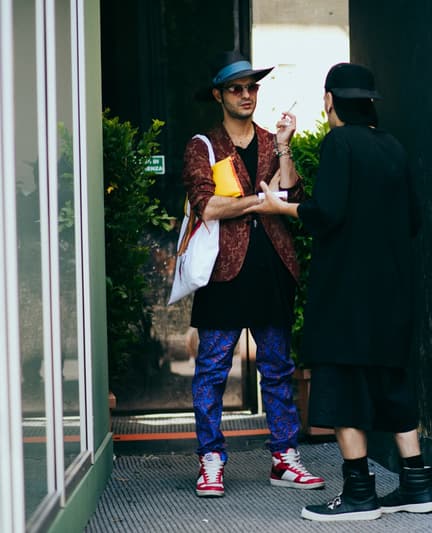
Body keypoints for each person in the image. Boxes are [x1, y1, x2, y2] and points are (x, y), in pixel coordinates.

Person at [250, 62, 432, 522]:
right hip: (392, 292)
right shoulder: (392, 147)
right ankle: (417, 486)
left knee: (341, 384)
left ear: (330, 100)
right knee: (392, 383)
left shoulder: (339, 143)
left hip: (346, 295)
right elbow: (414, 219)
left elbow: (327, 211)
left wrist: (281, 207)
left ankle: (358, 495)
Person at [182, 50, 324, 498]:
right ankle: (211, 460)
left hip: (272, 268)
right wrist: (258, 203)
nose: (247, 95)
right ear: (218, 95)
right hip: (224, 272)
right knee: (212, 369)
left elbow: (292, 191)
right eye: (237, 88)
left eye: (252, 87)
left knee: (278, 368)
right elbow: (208, 205)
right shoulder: (202, 146)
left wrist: (285, 145)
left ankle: (284, 457)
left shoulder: (269, 140)